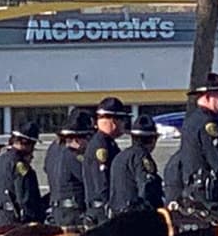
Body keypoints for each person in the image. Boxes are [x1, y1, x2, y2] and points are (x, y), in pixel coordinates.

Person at [178, 72, 218, 207]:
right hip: (211, 196)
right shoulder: (209, 124)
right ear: (207, 96)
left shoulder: (191, 120)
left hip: (194, 193)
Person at [82, 96, 130, 226]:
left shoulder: (108, 144)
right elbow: (102, 182)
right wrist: (109, 206)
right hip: (101, 213)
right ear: (113, 121)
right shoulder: (101, 146)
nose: (123, 125)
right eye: (122, 120)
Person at [108, 115, 165, 215]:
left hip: (117, 215)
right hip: (135, 217)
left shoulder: (120, 156)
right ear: (152, 140)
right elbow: (147, 188)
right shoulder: (141, 157)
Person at [47, 109, 95, 228]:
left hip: (57, 210)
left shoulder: (53, 149)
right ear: (79, 139)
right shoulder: (73, 155)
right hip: (74, 215)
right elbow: (89, 179)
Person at [0, 122, 44, 226]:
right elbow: (24, 196)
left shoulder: (3, 158)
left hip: (0, 217)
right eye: (32, 145)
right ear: (25, 143)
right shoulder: (19, 164)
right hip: (16, 221)